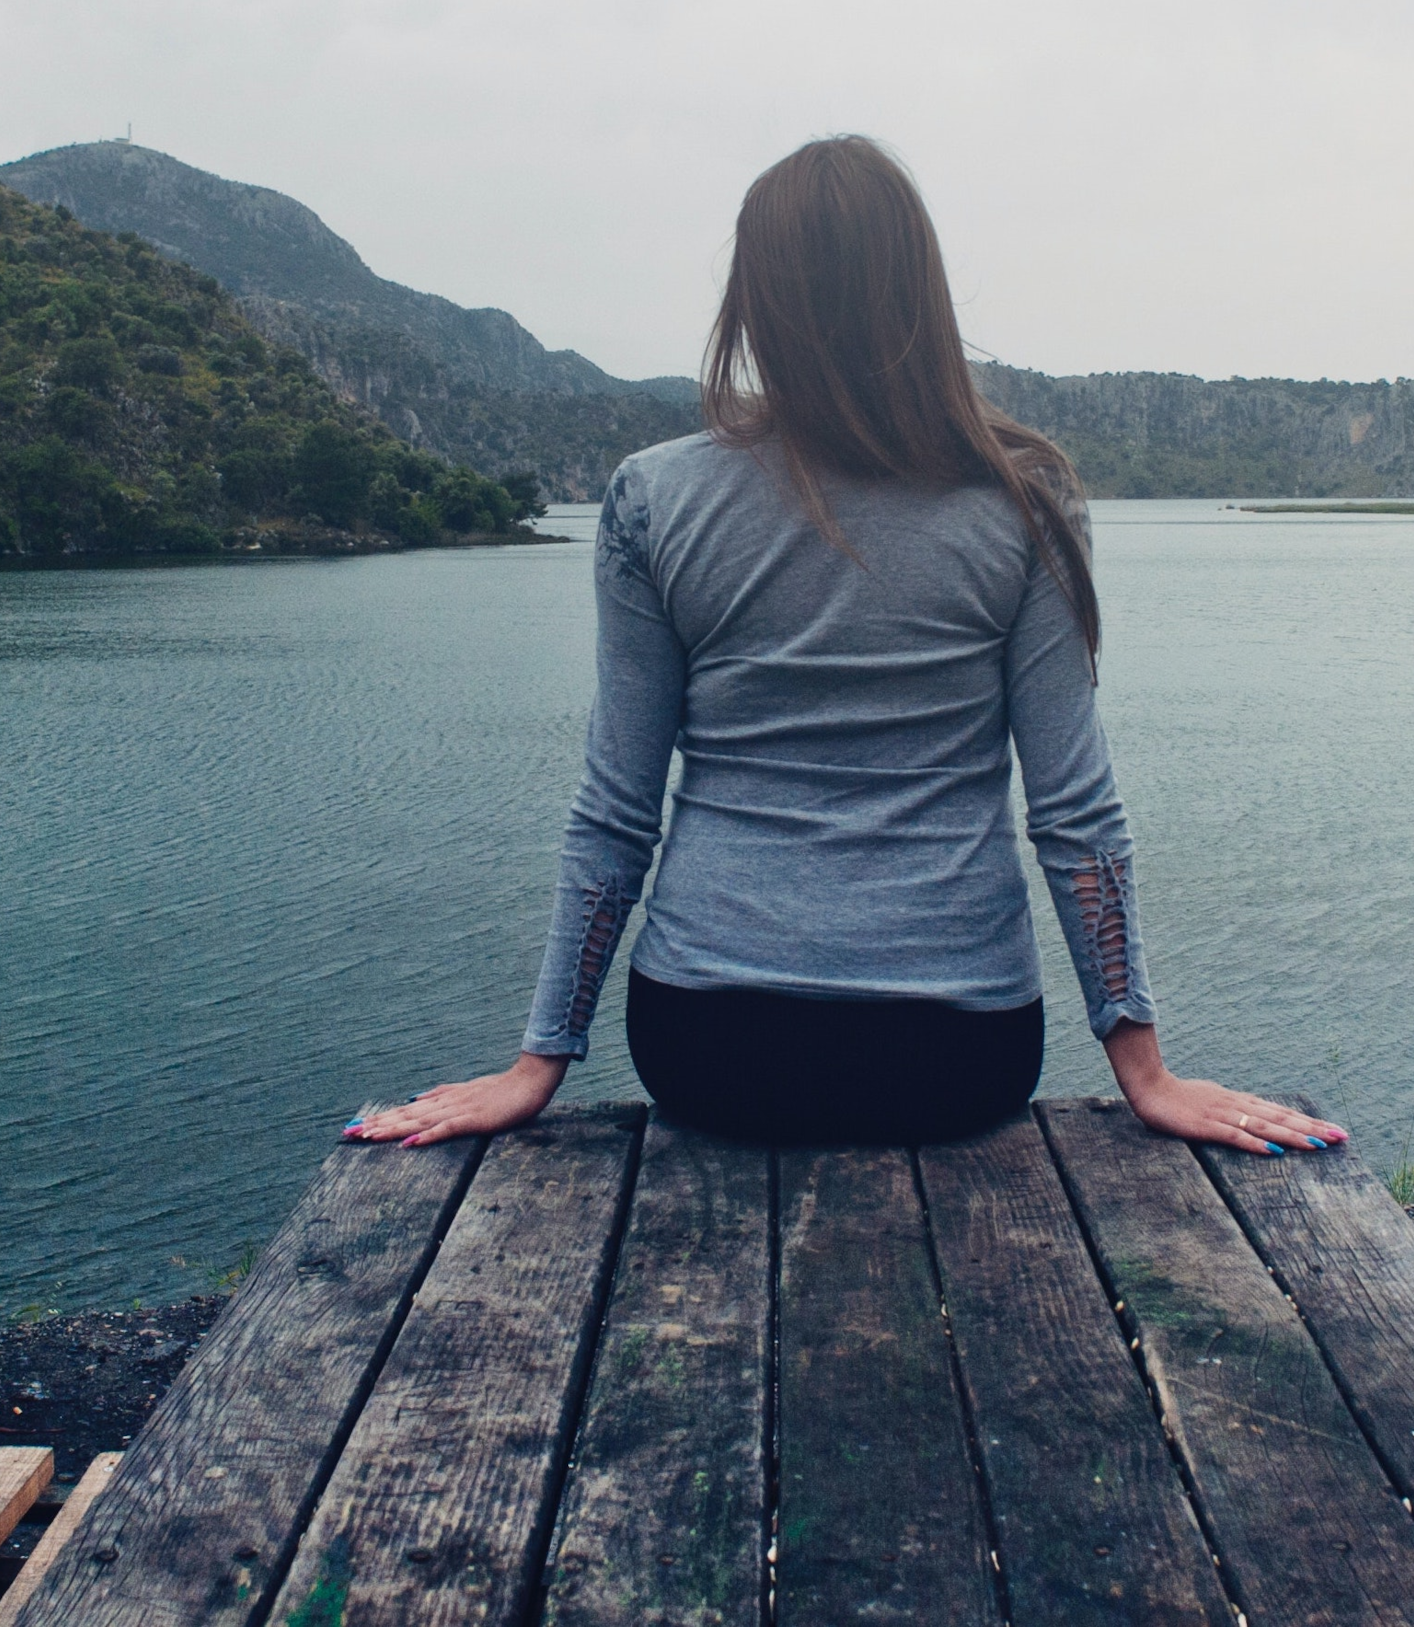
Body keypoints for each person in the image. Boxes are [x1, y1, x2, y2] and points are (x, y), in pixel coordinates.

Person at [348, 137, 1344, 1157]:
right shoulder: (1024, 504)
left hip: (704, 1046)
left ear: (756, 301)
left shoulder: (655, 498)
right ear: (918, 292)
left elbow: (617, 806)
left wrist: (539, 1060)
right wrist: (1145, 1070)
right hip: (959, 1057)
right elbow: (1075, 813)